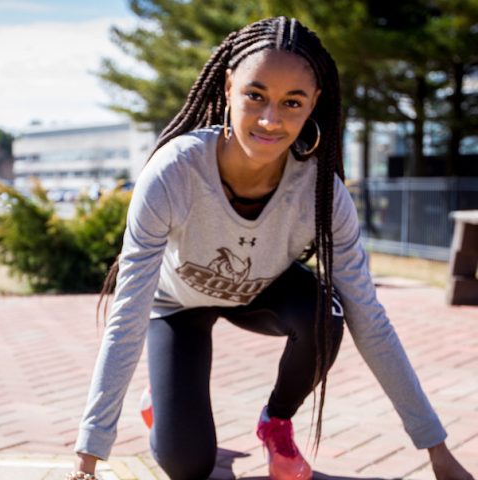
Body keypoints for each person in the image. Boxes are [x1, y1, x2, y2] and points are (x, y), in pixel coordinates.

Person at [68, 16, 474, 480]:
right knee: (189, 466)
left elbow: (371, 319)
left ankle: (275, 423)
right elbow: (128, 316)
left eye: (292, 102)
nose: (270, 119)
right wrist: (88, 458)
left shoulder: (320, 191)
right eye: (255, 96)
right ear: (227, 87)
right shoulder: (174, 173)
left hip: (260, 291)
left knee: (330, 313)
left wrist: (436, 450)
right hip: (177, 305)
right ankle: (163, 400)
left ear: (313, 104)